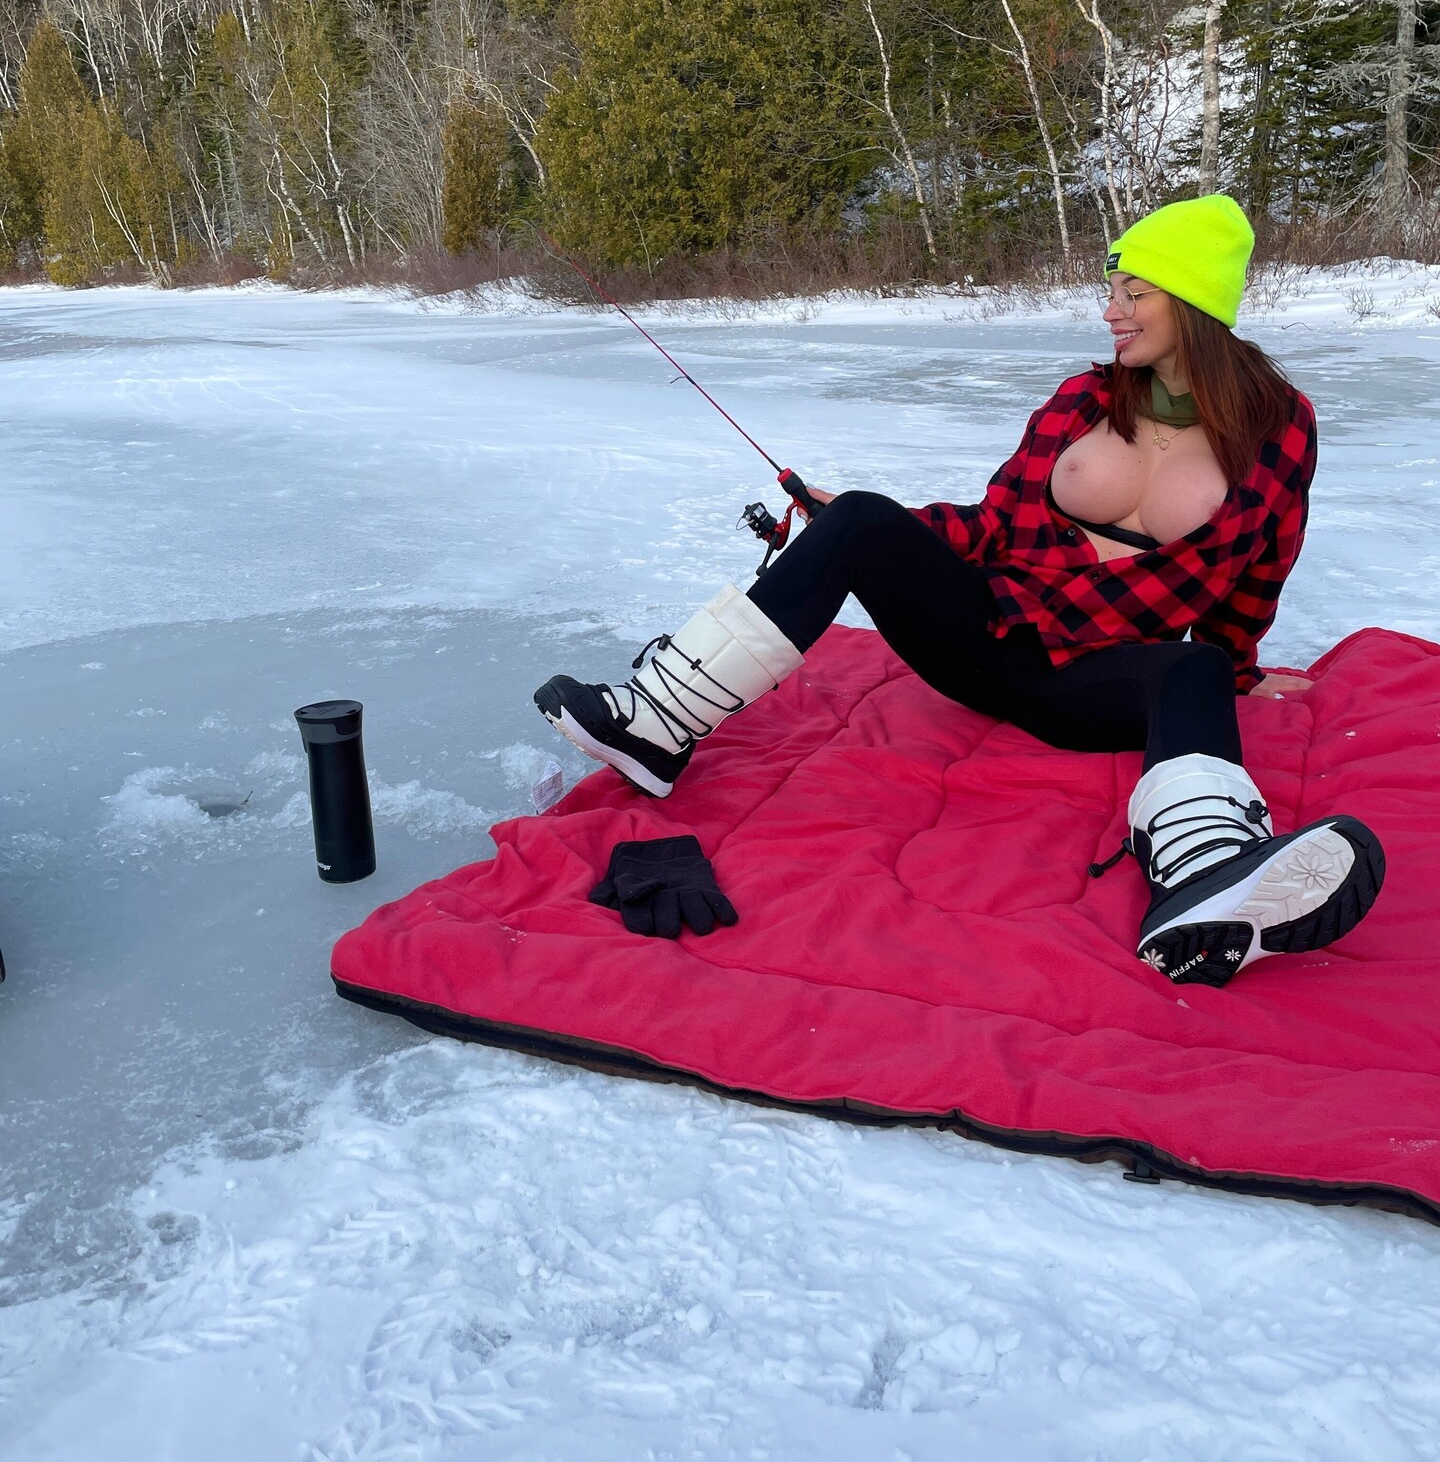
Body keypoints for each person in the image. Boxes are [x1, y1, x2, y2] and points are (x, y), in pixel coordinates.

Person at [535, 195, 1385, 988]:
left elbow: (1266, 561)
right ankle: (657, 726)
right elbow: (992, 524)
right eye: (1112, 290)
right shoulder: (1084, 398)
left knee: (1194, 672)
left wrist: (1238, 668)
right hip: (987, 636)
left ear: (1192, 299)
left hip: (1091, 683)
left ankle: (1205, 879)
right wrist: (877, 527)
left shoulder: (1279, 425)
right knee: (862, 518)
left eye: (1134, 292)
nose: (1111, 310)